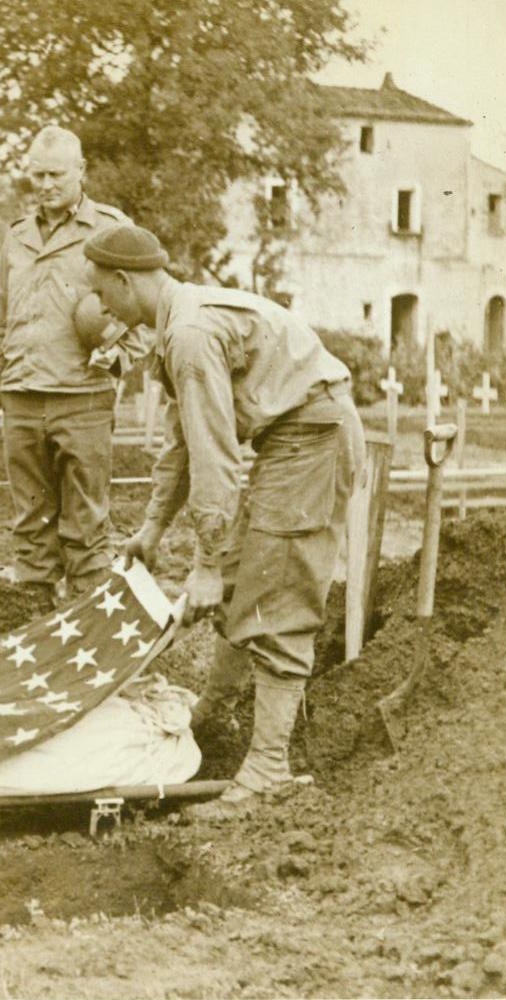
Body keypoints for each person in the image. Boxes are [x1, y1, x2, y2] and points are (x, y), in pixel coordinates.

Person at [82, 223, 364, 819]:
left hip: (312, 440)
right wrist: (154, 529)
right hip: (292, 438)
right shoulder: (176, 325)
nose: (104, 311)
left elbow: (215, 456)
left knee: (278, 596)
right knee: (244, 579)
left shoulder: (188, 333)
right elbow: (183, 442)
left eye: (104, 297)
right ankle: (211, 722)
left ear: (125, 281)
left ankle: (267, 773)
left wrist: (205, 564)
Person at [0, 125, 150, 609]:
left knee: (87, 526)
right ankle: (32, 633)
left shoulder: (111, 230)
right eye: (37, 175)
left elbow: (147, 309)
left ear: (80, 172)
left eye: (55, 174)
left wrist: (119, 354)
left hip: (83, 400)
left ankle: (87, 638)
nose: (46, 184)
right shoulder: (17, 236)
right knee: (31, 524)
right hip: (22, 396)